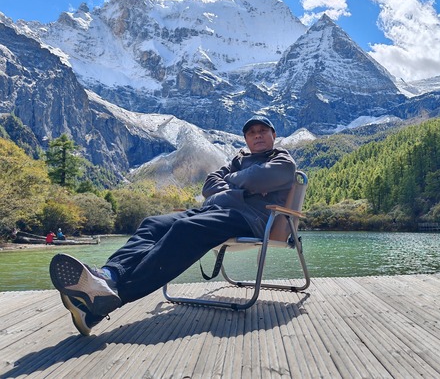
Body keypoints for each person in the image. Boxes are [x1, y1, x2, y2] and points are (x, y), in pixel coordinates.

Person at [49, 116, 296, 336]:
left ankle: (116, 296)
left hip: (247, 219)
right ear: (246, 139)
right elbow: (209, 184)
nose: (257, 135)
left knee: (185, 230)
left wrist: (232, 181)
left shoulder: (282, 159)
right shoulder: (238, 160)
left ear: (273, 136)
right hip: (211, 210)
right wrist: (239, 184)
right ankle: (108, 277)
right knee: (152, 224)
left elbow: (258, 177)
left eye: (263, 131)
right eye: (252, 133)